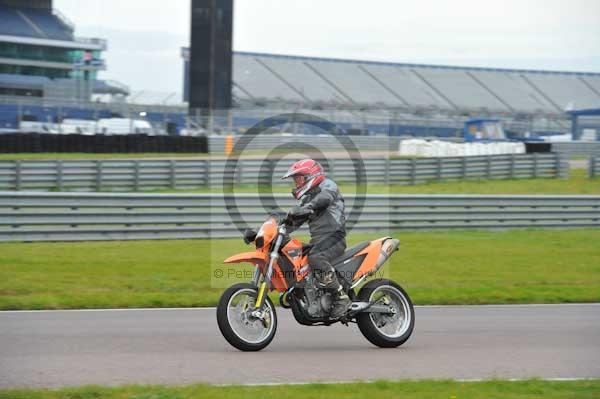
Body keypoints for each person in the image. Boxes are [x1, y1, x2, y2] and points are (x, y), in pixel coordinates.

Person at [283, 159, 351, 319]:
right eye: (295, 179)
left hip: (334, 238)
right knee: (296, 255)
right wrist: (265, 231)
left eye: (299, 178)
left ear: (310, 176)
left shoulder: (328, 186)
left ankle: (341, 297)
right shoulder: (306, 200)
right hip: (319, 241)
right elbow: (292, 223)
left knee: (315, 256)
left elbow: (324, 199)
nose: (296, 182)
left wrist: (308, 207)